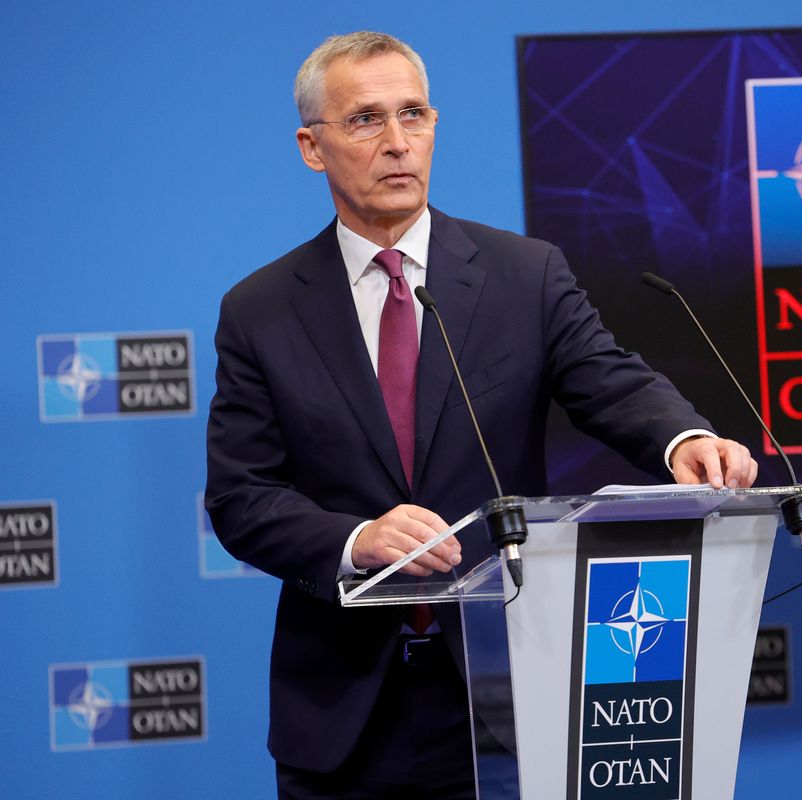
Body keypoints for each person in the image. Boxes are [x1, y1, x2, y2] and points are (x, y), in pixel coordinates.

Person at [205, 30, 758, 800]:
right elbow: (241, 498)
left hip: (511, 692)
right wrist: (358, 539)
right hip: (342, 714)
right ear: (312, 146)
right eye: (366, 120)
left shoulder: (523, 275)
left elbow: (611, 381)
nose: (398, 143)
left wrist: (684, 438)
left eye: (414, 114)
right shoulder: (260, 311)